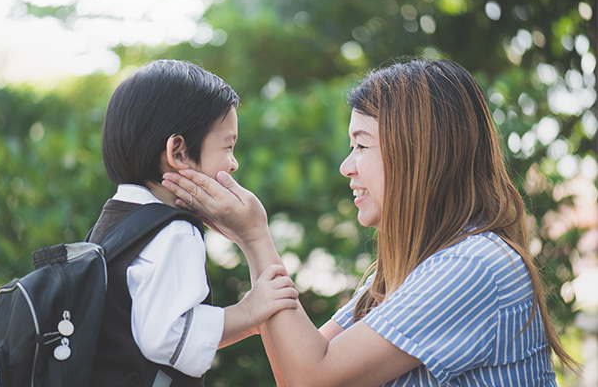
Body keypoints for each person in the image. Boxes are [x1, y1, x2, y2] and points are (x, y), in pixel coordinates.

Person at [161, 59, 578, 386]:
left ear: (419, 152)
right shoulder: (405, 269)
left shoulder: (472, 266)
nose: (347, 167)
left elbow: (313, 378)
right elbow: (295, 370)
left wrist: (255, 238)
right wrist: (245, 238)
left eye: (361, 144)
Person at [88, 59, 298, 387]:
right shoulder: (174, 231)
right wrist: (247, 311)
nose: (233, 162)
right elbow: (165, 337)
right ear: (179, 152)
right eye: (228, 146)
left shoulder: (116, 217)